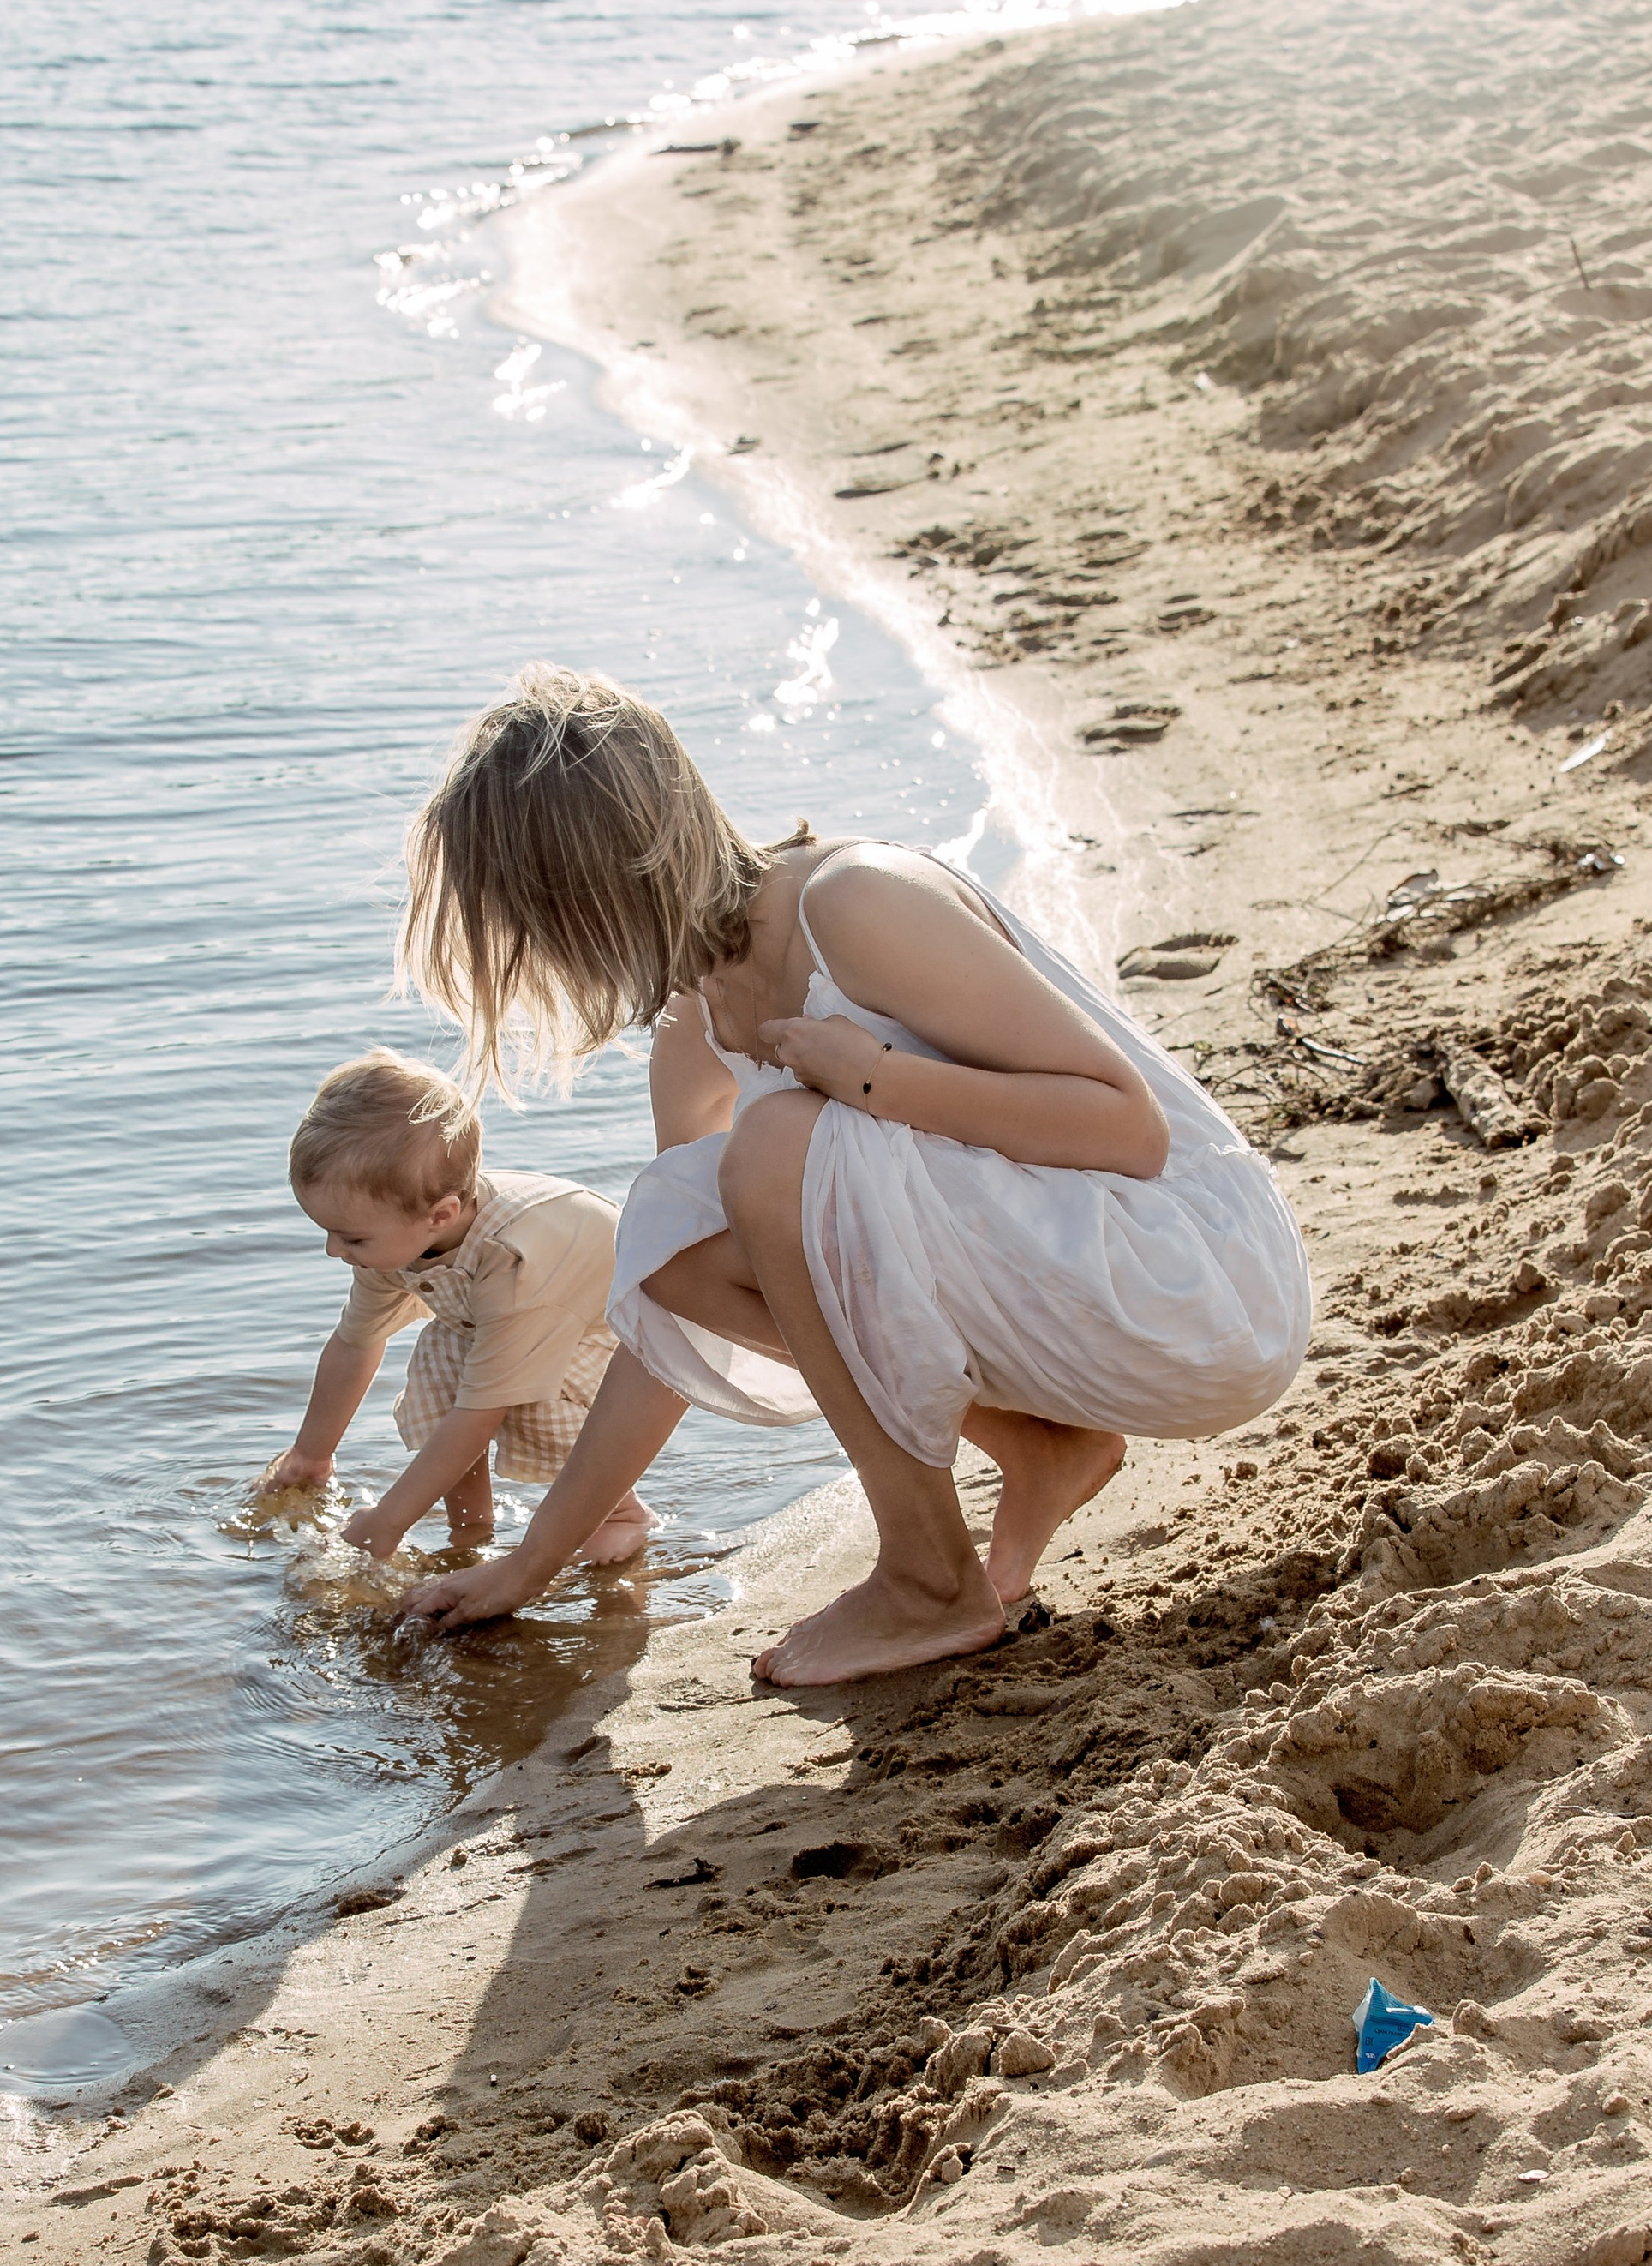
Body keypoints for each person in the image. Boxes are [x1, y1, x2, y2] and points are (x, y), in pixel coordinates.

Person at [399, 666, 1311, 1682]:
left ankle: (928, 1579)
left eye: (526, 920)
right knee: (668, 1238)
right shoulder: (695, 1021)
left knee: (775, 1145)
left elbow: (1128, 1131)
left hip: (1200, 1281)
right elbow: (671, 1319)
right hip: (1084, 1294)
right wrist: (532, 1562)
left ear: (588, 886)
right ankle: (1041, 1448)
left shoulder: (853, 902)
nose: (538, 958)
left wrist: (870, 1077)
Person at [264, 1049, 651, 1562]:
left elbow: (481, 1413)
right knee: (441, 1357)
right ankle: (470, 1526)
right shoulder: (398, 1240)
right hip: (537, 1326)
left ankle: (621, 1514)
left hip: (629, 1340)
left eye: (350, 1237)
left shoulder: (514, 1262)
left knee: (526, 1403)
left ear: (439, 1215)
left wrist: (387, 1522)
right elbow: (355, 1344)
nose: (334, 1250)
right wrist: (311, 1457)